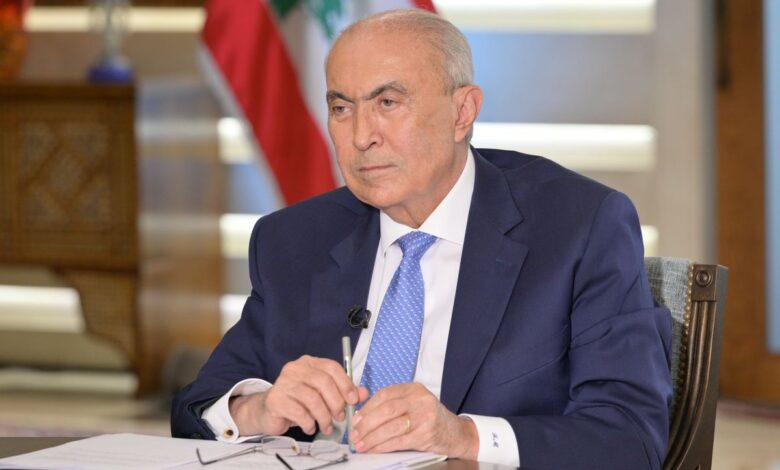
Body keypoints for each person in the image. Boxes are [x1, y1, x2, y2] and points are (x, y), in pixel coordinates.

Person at [172, 9, 671, 469]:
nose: (361, 136)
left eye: (388, 103)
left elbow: (631, 437)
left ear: (462, 112)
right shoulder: (294, 240)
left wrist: (463, 436)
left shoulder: (578, 227)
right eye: (341, 108)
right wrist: (259, 409)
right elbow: (195, 409)